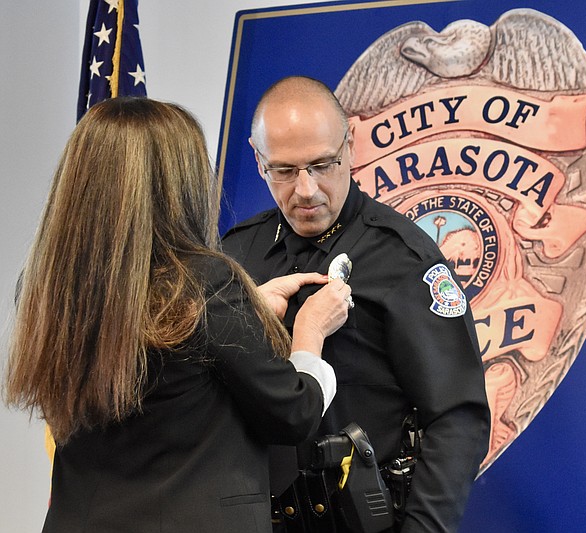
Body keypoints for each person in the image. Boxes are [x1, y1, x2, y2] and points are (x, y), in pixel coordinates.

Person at [4, 97, 352, 533]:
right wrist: (309, 333)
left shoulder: (48, 287)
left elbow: (152, 345)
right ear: (177, 184)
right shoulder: (205, 281)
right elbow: (293, 414)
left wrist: (249, 311)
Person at [222, 76, 490, 533]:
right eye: (284, 171)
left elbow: (457, 418)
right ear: (257, 159)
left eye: (322, 164)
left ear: (351, 145)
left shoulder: (404, 258)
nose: (305, 190)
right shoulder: (237, 255)